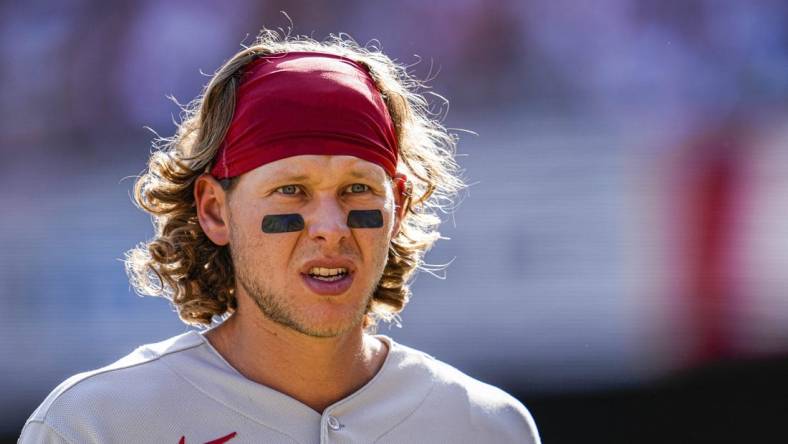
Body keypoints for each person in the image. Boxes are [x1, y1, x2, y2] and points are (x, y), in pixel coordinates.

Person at [19, 30, 540, 443]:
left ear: (397, 206)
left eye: (357, 189)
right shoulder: (95, 426)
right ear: (214, 211)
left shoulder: (488, 427)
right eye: (292, 191)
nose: (331, 227)